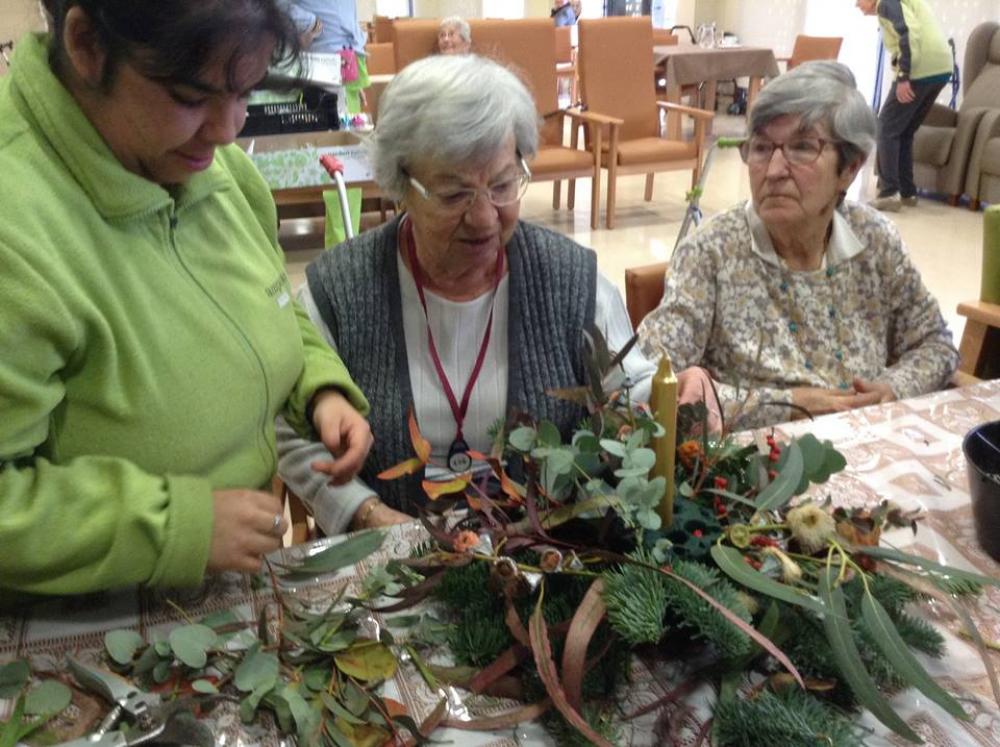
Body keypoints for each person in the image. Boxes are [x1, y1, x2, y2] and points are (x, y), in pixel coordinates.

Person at [0, 0, 372, 598]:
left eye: (245, 92)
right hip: (82, 619)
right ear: (88, 45)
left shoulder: (212, 168)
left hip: (220, 590)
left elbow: (267, 299)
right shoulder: (16, 225)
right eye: (190, 98)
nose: (227, 131)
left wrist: (316, 386)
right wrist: (174, 528)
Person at [276, 54, 715, 535]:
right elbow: (288, 431)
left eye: (503, 185)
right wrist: (367, 515)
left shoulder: (572, 280)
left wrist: (674, 398)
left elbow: (628, 394)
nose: (485, 218)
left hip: (546, 549)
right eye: (454, 195)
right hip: (387, 555)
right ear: (401, 186)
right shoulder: (339, 291)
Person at [637, 61, 959, 431]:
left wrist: (892, 388)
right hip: (760, 459)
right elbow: (647, 382)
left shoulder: (875, 240)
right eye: (761, 148)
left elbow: (935, 344)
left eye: (802, 148)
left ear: (850, 168)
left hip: (869, 445)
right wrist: (785, 406)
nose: (774, 171)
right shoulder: (711, 252)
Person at [282, 0, 370, 245]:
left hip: (346, 66)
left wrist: (355, 76)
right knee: (339, 166)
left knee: (352, 167)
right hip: (323, 68)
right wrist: (308, 23)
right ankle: (342, 249)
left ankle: (347, 247)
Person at [856, 0, 952, 212]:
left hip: (921, 68)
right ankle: (907, 192)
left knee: (886, 127)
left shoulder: (886, 3)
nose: (856, 4)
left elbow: (907, 33)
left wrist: (904, 76)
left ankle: (890, 193)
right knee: (904, 131)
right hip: (940, 67)